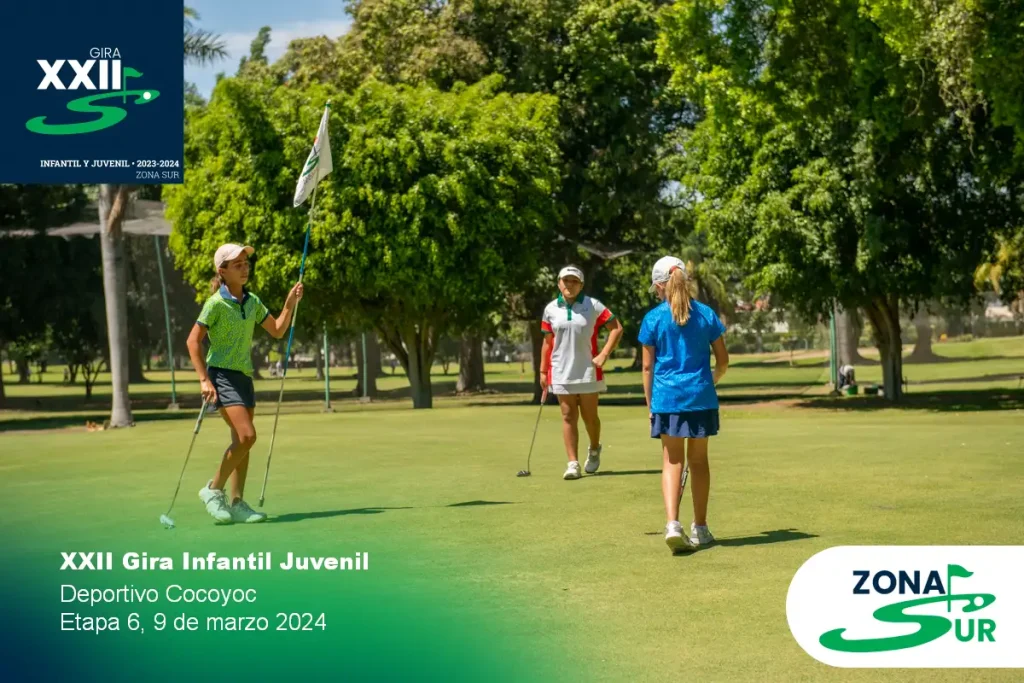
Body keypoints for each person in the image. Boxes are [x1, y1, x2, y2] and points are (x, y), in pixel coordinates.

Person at [186, 243, 304, 525]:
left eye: (245, 263)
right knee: (248, 436)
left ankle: (237, 503)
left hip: (244, 377)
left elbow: (277, 330)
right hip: (222, 376)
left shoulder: (252, 302)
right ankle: (213, 489)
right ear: (222, 271)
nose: (244, 268)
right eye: (237, 264)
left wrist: (289, 304)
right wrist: (204, 379)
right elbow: (193, 341)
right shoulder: (215, 303)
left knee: (242, 442)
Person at [638, 256, 729, 553]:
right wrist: (710, 381)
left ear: (659, 286)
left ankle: (672, 525)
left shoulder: (653, 318)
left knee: (671, 461)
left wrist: (651, 406)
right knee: (699, 462)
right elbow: (723, 361)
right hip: (700, 398)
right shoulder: (706, 314)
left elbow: (647, 368)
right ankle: (700, 528)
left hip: (667, 400)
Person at [540, 265, 624, 479]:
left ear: (581, 285)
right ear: (559, 283)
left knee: (590, 417)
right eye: (566, 280)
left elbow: (616, 328)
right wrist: (543, 371)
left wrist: (604, 354)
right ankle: (572, 463)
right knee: (568, 416)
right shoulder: (550, 309)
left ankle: (594, 449)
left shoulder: (592, 305)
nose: (569, 284)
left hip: (588, 370)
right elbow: (548, 342)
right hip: (560, 370)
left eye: (574, 281)